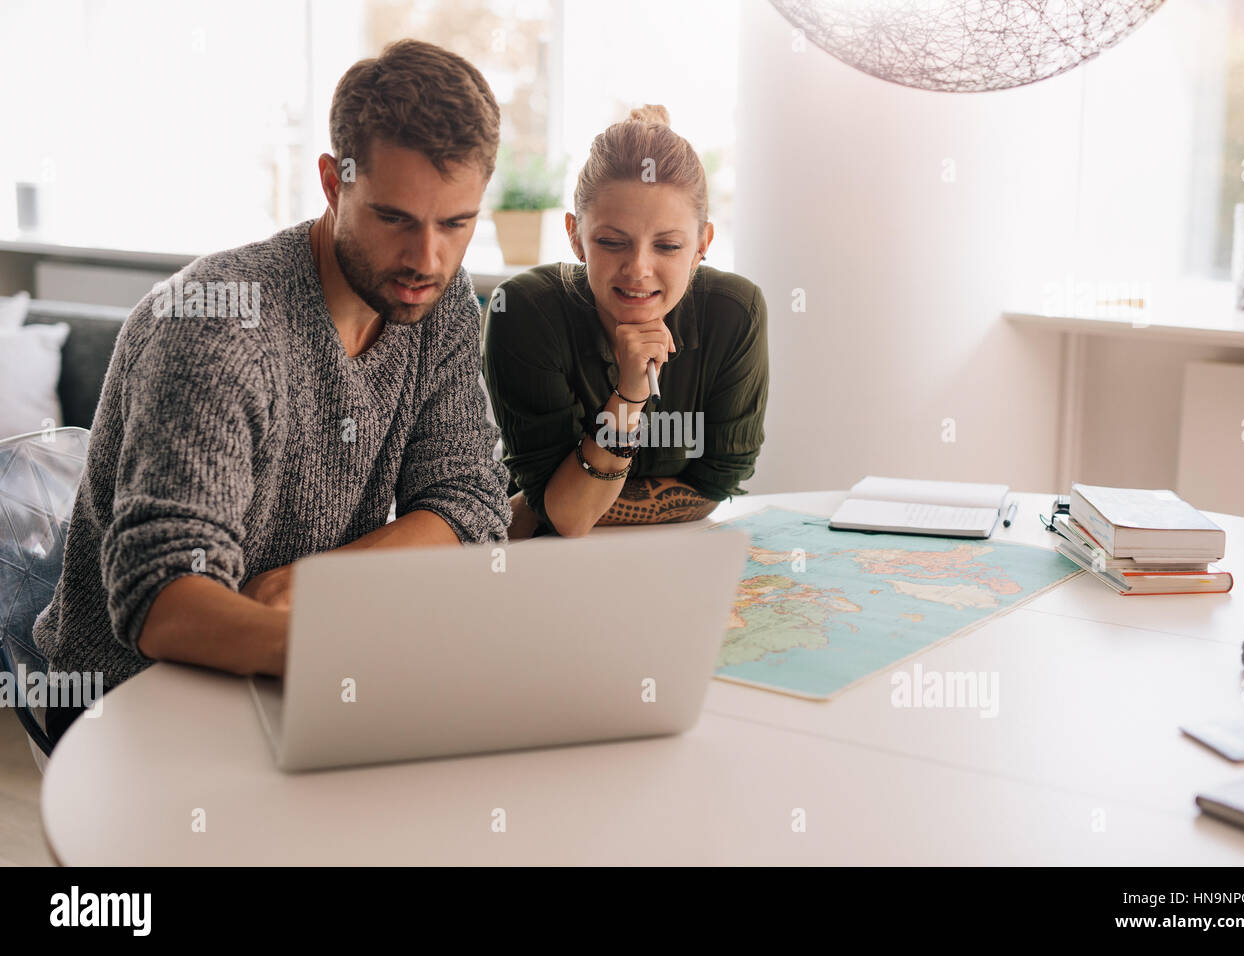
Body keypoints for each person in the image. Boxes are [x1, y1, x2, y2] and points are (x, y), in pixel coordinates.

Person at [34, 39, 511, 748]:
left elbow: (469, 503)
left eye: (456, 223)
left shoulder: (437, 303)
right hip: (135, 707)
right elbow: (162, 600)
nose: (427, 259)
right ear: (331, 182)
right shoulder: (221, 328)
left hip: (289, 676)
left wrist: (314, 585)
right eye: (395, 219)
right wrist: (346, 660)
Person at [482, 105, 769, 540]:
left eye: (668, 246)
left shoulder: (734, 312)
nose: (638, 269)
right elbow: (569, 519)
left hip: (670, 562)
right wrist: (629, 398)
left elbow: (720, 482)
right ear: (575, 236)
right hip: (543, 567)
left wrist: (559, 502)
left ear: (702, 245)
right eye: (612, 242)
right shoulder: (524, 310)